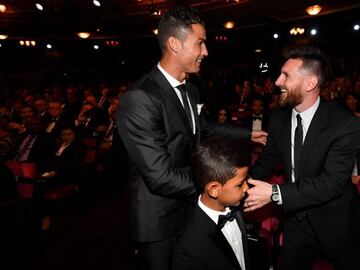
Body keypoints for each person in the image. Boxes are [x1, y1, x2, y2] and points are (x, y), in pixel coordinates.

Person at [116, 6, 267, 270]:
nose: (206, 52)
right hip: (160, 221)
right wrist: (214, 185)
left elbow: (205, 129)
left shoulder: (191, 89)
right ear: (174, 44)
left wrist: (251, 134)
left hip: (191, 207)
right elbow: (160, 176)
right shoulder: (140, 98)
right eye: (200, 43)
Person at [243, 45, 360, 270]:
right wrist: (239, 187)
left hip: (335, 220)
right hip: (296, 218)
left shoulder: (346, 124)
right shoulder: (278, 118)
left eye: (286, 75)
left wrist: (275, 193)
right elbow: (268, 159)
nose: (277, 81)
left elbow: (332, 183)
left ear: (310, 83)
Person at [172, 137, 251, 270]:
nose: (246, 188)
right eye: (240, 184)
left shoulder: (235, 206)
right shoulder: (189, 249)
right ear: (214, 190)